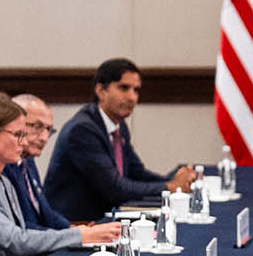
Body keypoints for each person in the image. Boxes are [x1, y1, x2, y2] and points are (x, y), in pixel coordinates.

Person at [0, 93, 121, 256]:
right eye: (17, 135)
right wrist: (80, 236)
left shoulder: (2, 180)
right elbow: (15, 241)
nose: (23, 142)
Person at [43, 58, 197, 221]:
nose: (132, 97)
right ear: (101, 90)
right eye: (124, 88)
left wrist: (175, 181)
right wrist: (170, 187)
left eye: (136, 90)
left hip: (104, 218)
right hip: (76, 225)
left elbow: (136, 173)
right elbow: (116, 189)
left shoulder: (118, 126)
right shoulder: (82, 131)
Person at [3, 93, 74, 231]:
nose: (44, 138)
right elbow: (17, 227)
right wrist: (68, 236)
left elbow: (45, 212)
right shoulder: (2, 166)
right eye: (37, 127)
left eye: (48, 130)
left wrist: (73, 229)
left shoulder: (27, 161)